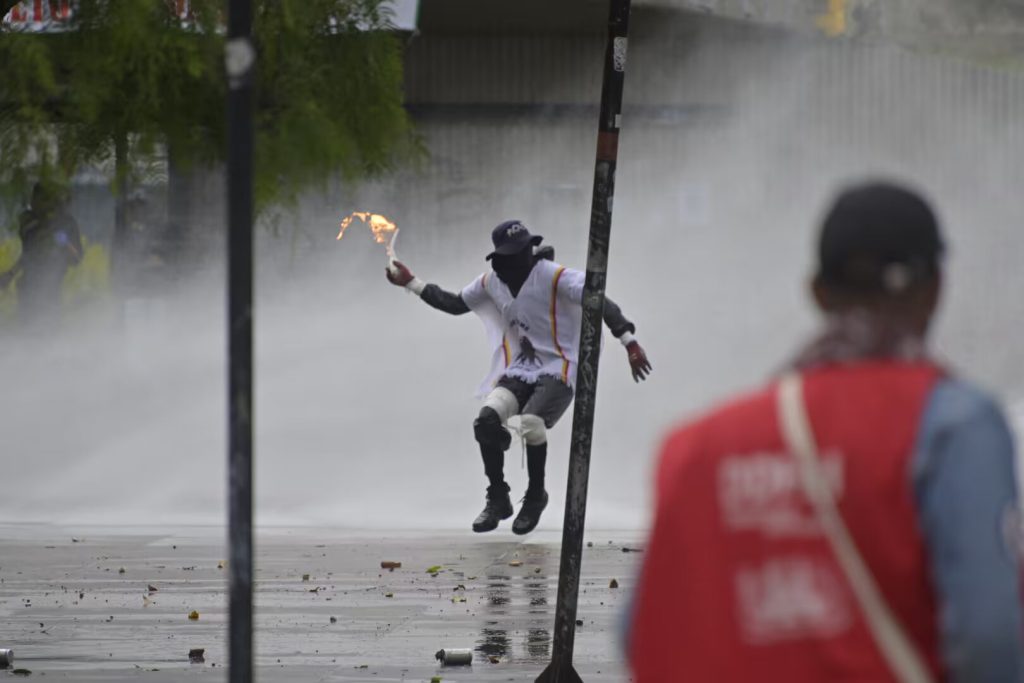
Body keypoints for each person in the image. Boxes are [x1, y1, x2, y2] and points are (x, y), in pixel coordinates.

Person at [627, 182, 1023, 682]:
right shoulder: (953, 426)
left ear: (817, 291)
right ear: (936, 287)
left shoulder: (694, 447)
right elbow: (989, 633)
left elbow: (641, 632)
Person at [385, 220, 651, 535]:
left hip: (562, 364)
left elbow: (598, 299)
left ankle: (536, 496)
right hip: (523, 367)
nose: (516, 262)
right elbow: (456, 304)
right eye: (509, 255)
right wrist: (411, 282)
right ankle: (498, 497)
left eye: (522, 252)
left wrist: (629, 341)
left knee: (531, 423)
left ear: (530, 251)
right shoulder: (490, 282)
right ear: (498, 257)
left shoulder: (554, 276)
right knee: (486, 420)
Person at [0, 182, 83, 327]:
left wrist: (63, 241)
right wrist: (10, 274)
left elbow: (76, 259)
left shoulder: (67, 223)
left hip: (51, 291)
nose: (34, 204)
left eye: (40, 199)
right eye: (34, 199)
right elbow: (29, 254)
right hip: (29, 290)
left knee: (48, 333)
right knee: (29, 333)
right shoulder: (30, 221)